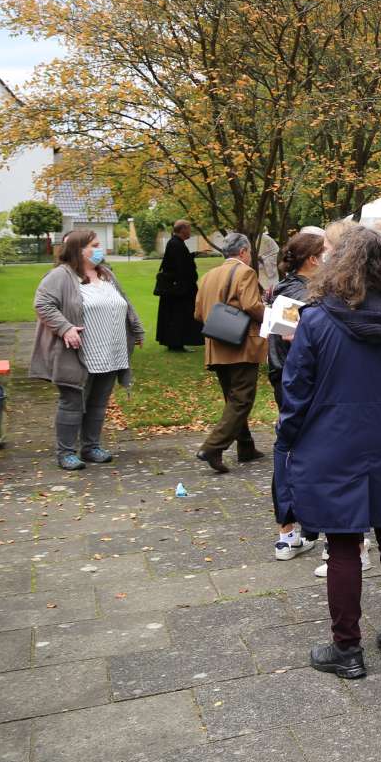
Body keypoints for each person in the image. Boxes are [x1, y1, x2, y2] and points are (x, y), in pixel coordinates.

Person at [273, 225, 381, 678]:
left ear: (339, 262)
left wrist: (286, 442)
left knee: (343, 543)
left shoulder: (316, 321)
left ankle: (348, 648)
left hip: (333, 444)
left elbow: (296, 392)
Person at [31, 230, 145, 471]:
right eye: (94, 245)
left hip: (110, 351)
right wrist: (65, 328)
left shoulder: (106, 274)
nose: (99, 248)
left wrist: (136, 329)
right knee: (72, 401)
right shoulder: (60, 276)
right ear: (79, 249)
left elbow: (124, 302)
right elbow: (42, 304)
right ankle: (66, 452)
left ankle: (91, 447)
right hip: (79, 352)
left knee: (98, 402)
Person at [266, 230, 328, 561]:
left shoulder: (285, 290)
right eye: (327, 251)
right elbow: (292, 347)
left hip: (291, 382)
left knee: (291, 452)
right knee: (295, 453)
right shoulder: (299, 295)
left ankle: (291, 532)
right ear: (314, 259)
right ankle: (293, 531)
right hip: (301, 385)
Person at [193, 233, 268, 473]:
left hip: (217, 343)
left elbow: (197, 313)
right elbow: (251, 306)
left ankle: (245, 447)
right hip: (242, 344)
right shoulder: (245, 272)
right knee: (242, 399)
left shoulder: (208, 276)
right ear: (244, 251)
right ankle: (212, 447)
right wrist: (271, 315)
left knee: (232, 399)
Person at [154, 220, 202, 352]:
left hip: (177, 289)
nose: (190, 232)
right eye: (189, 229)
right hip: (179, 290)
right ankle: (177, 343)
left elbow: (180, 261)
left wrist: (193, 255)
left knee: (175, 315)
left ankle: (175, 342)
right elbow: (180, 268)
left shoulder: (175, 243)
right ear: (183, 230)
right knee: (179, 315)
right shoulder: (176, 244)